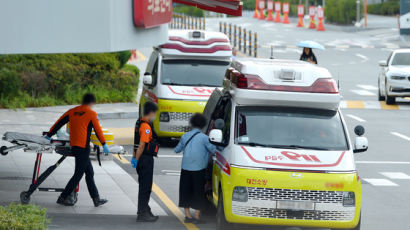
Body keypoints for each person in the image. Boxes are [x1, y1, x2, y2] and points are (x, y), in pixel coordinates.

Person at [45, 93, 109, 207]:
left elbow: (59, 122)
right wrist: (104, 144)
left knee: (89, 172)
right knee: (78, 174)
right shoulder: (91, 113)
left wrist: (49, 134)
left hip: (75, 146)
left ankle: (96, 199)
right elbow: (98, 131)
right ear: (91, 103)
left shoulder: (72, 111)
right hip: (83, 148)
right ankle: (63, 197)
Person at [174, 113, 216, 224]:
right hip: (199, 169)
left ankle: (187, 215)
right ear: (202, 125)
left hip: (185, 168)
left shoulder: (185, 136)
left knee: (185, 190)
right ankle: (197, 216)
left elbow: (177, 150)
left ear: (192, 124)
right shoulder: (205, 138)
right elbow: (214, 150)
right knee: (198, 192)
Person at [132, 101, 159, 222]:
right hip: (145, 159)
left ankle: (145, 209)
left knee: (145, 186)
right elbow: (142, 145)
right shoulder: (146, 127)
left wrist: (134, 157)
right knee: (145, 187)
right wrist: (136, 159)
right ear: (152, 112)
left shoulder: (139, 122)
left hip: (140, 159)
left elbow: (136, 142)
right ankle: (142, 213)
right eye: (155, 113)